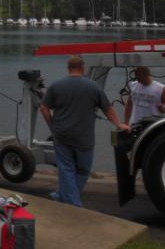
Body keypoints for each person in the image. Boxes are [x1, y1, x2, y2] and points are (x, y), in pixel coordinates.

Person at [39, 56, 129, 207]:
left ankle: (62, 195)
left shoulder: (56, 86)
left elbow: (43, 107)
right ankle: (73, 204)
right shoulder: (93, 87)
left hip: (61, 134)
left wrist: (52, 126)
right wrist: (119, 124)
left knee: (66, 168)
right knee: (83, 170)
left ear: (68, 68)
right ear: (82, 68)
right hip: (84, 137)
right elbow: (107, 109)